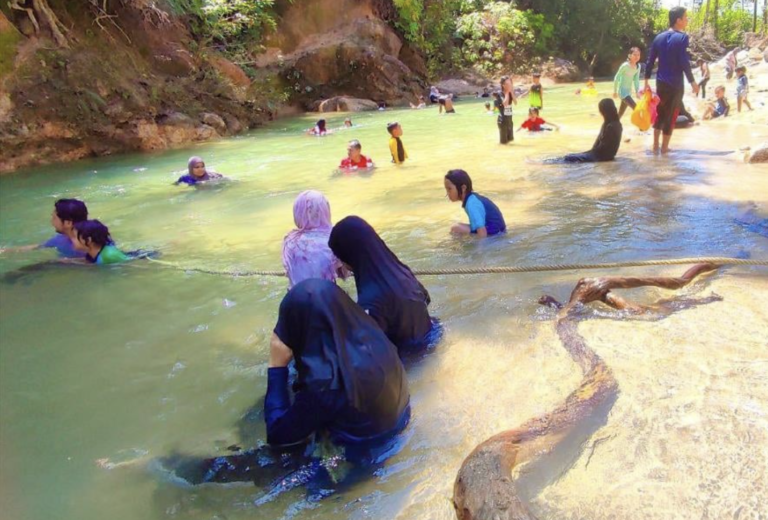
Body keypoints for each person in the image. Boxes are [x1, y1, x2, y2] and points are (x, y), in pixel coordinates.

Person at [328, 216, 435, 351]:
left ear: (349, 257)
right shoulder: (401, 271)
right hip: (430, 336)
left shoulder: (370, 300)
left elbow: (367, 350)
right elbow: (426, 299)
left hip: (408, 357)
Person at [644, 6, 699, 155]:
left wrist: (646, 81)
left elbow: (650, 61)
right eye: (685, 17)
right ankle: (664, 148)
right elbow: (683, 61)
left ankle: (655, 146)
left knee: (660, 112)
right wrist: (693, 81)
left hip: (660, 82)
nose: (687, 20)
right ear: (678, 20)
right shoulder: (682, 38)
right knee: (672, 115)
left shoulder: (658, 38)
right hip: (675, 83)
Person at [282, 190, 345, 289]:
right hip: (324, 298)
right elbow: (343, 274)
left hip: (294, 298)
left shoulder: (289, 240)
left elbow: (288, 270)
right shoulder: (332, 238)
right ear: (326, 211)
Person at [444, 169, 506, 238]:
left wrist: (479, 248)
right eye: (446, 189)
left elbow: (482, 231)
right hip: (498, 231)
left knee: (455, 228)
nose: (447, 193)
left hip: (494, 234)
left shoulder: (471, 204)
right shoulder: (472, 199)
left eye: (449, 189)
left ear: (463, 188)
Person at [558, 98, 622, 163]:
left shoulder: (610, 126)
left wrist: (588, 153)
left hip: (601, 157)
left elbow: (601, 149)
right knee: (569, 157)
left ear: (603, 111)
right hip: (603, 156)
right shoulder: (614, 123)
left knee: (568, 158)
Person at [613, 47, 642, 120]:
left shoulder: (638, 67)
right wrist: (615, 91)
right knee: (636, 108)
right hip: (622, 93)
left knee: (620, 114)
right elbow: (616, 77)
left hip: (628, 93)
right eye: (634, 55)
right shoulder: (625, 66)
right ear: (629, 56)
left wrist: (637, 91)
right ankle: (642, 128)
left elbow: (636, 80)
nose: (636, 57)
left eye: (638, 55)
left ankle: (611, 124)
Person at [495, 76, 516, 144]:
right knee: (504, 143)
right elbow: (505, 104)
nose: (510, 85)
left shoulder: (510, 93)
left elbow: (515, 102)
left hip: (509, 120)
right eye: (508, 84)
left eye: (510, 83)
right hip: (502, 121)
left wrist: (511, 92)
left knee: (510, 141)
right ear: (503, 85)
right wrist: (507, 92)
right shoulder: (499, 94)